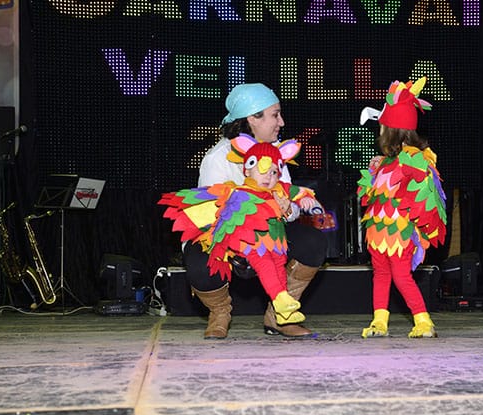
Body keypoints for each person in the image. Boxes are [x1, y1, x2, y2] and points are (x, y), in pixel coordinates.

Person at [183, 83, 327, 338]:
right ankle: (219, 314)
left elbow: (290, 202)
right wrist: (244, 243)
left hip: (269, 233)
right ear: (252, 118)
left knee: (313, 241)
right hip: (226, 236)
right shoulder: (218, 158)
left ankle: (280, 314)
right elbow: (211, 216)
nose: (281, 122)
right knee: (198, 260)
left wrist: (288, 207)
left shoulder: (275, 153)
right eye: (275, 115)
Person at [159, 135, 321, 328]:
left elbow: (300, 193)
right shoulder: (238, 189)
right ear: (248, 169)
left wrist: (303, 202)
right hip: (249, 241)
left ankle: (281, 314)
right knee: (266, 265)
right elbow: (216, 208)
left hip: (276, 240)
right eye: (263, 170)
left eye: (274, 172)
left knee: (279, 266)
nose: (269, 177)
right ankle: (233, 311)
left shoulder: (279, 187)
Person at [357, 77, 447, 338]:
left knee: (401, 275)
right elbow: (374, 193)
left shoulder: (412, 159)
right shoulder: (387, 162)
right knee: (381, 275)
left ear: (390, 131)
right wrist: (375, 170)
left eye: (382, 127)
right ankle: (379, 321)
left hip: (400, 232)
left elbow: (422, 185)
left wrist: (416, 164)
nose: (379, 132)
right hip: (379, 231)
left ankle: (423, 321)